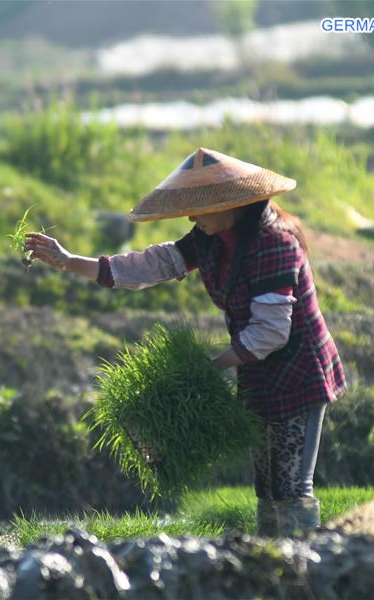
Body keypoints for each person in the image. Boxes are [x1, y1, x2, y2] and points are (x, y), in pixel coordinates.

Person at [23, 147, 347, 537]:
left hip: (299, 370)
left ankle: (304, 564)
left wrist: (205, 371)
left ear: (232, 204)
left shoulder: (274, 244)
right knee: (267, 484)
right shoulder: (211, 238)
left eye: (199, 208)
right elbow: (154, 265)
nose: (192, 217)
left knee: (292, 484)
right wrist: (70, 260)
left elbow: (272, 332)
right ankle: (273, 561)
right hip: (256, 367)